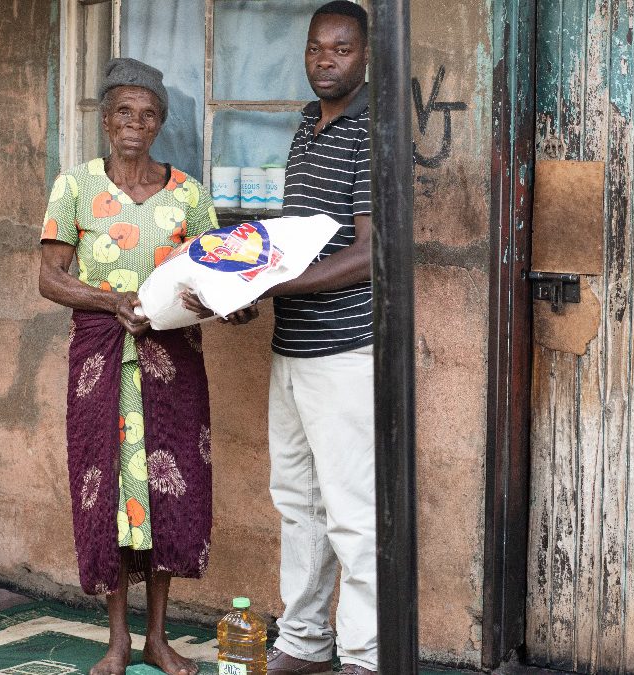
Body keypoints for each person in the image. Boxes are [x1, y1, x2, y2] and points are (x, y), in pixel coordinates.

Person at [39, 57, 221, 675]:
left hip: (173, 363)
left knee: (169, 490)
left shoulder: (189, 194)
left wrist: (229, 304)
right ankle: (116, 638)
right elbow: (50, 278)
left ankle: (157, 637)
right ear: (105, 118)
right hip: (100, 360)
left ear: (161, 122)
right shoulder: (75, 187)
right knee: (109, 493)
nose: (134, 124)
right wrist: (111, 300)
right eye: (123, 111)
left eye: (147, 114)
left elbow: (212, 275)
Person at [256, 3, 379, 674]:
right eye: (316, 48)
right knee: (298, 502)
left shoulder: (371, 130)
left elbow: (370, 254)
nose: (325, 60)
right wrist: (247, 289)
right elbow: (291, 248)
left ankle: (366, 654)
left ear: (365, 57)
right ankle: (303, 641)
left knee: (353, 513)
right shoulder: (306, 128)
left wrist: (274, 289)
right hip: (292, 347)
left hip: (346, 352)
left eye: (341, 49)